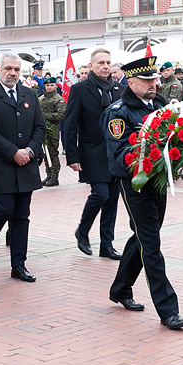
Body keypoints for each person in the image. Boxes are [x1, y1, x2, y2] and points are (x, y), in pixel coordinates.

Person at [103, 56, 183, 330]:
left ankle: (120, 288)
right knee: (151, 243)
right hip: (136, 184)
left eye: (155, 79)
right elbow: (118, 157)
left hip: (159, 181)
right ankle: (168, 310)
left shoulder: (162, 104)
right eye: (147, 80)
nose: (154, 83)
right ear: (131, 82)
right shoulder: (118, 113)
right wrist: (147, 149)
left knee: (143, 237)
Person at [0, 53, 45, 282]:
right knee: (3, 209)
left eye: (17, 69)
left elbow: (39, 127)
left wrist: (30, 151)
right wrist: (13, 152)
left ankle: (18, 265)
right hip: (1, 164)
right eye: (8, 68)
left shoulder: (30, 94)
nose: (13, 73)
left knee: (22, 215)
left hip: (26, 163)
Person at [64, 47, 123, 259]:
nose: (105, 66)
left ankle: (106, 245)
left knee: (112, 199)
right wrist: (73, 156)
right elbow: (70, 124)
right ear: (91, 66)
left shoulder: (117, 89)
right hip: (91, 151)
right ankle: (82, 230)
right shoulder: (80, 89)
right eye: (101, 63)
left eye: (108, 62)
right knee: (100, 194)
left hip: (114, 152)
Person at [38, 77, 66, 187]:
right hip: (42, 130)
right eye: (47, 85)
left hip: (53, 131)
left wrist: (45, 116)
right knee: (46, 153)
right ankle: (49, 175)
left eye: (51, 85)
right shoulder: (40, 99)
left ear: (55, 86)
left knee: (53, 153)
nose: (49, 87)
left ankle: (55, 176)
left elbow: (61, 114)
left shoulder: (58, 99)